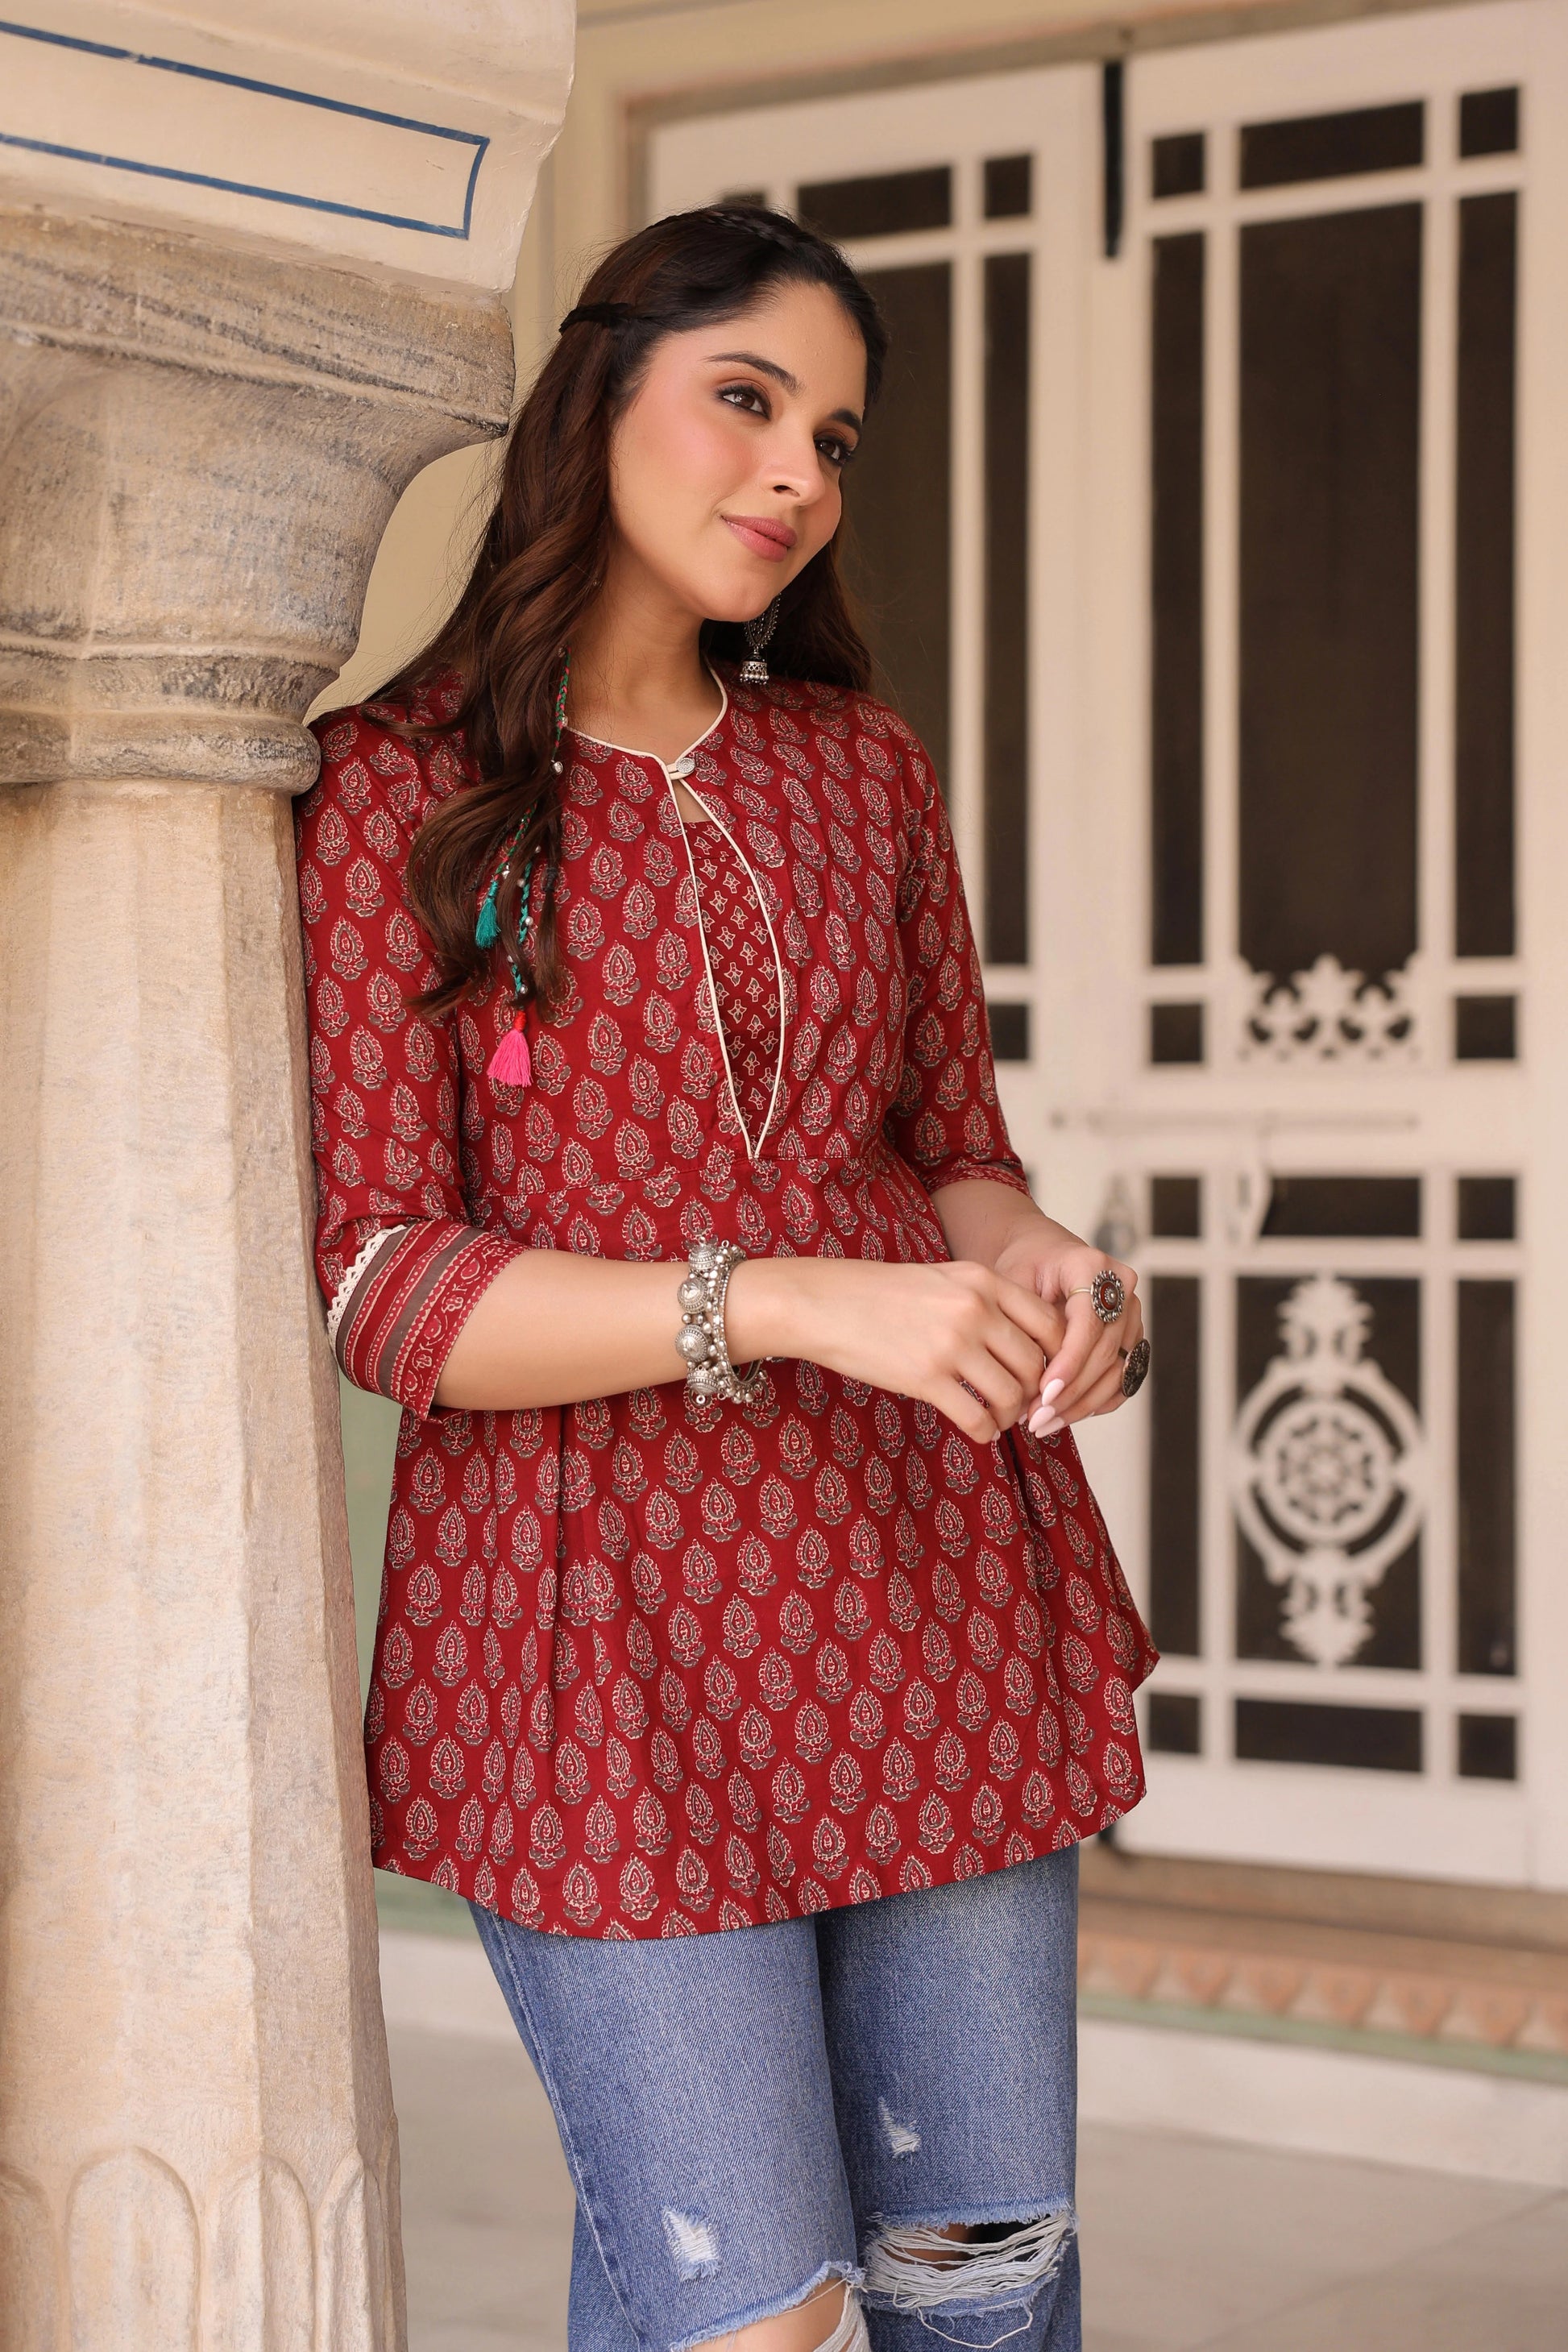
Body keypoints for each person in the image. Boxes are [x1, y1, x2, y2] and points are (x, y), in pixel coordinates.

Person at [297, 203, 1156, 2352]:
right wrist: (772, 1299)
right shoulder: (404, 792)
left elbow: (951, 1154)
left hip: (929, 1616)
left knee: (977, 2292)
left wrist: (1051, 1270)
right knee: (746, 2311)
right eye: (747, 401)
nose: (793, 475)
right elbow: (386, 1288)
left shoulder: (859, 772)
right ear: (600, 396)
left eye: (832, 440)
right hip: (597, 1650)